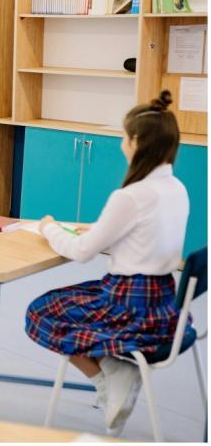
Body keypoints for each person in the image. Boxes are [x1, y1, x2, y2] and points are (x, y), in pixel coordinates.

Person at [25, 90, 188, 436]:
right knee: (68, 306)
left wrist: (48, 227)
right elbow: (144, 239)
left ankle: (106, 381)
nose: (121, 145)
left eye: (123, 138)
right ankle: (115, 367)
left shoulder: (129, 196)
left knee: (41, 312)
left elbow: (82, 252)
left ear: (138, 142)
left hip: (126, 303)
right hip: (164, 305)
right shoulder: (177, 189)